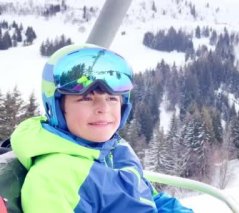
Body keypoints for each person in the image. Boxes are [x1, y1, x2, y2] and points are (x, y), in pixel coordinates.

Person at [10, 44, 193, 213]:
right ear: (57, 107)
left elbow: (148, 198)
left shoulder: (116, 149)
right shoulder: (53, 178)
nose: (103, 108)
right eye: (86, 98)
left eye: (112, 98)